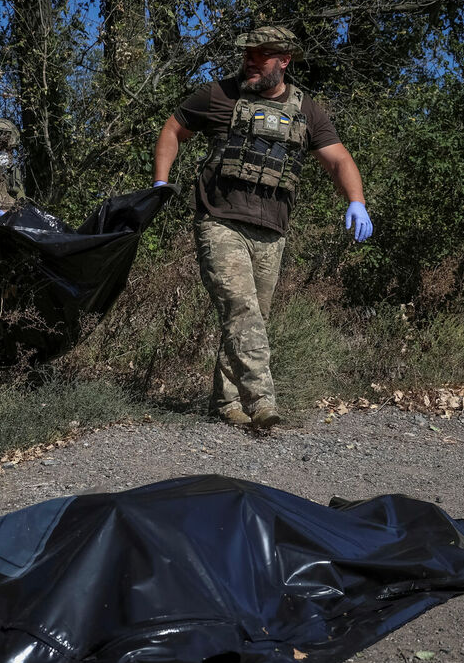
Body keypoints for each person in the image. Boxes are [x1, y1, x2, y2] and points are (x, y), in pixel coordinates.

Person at [153, 25, 373, 430]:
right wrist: (161, 182)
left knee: (250, 319)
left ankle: (225, 404)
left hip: (272, 231)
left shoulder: (308, 111)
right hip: (219, 221)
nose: (250, 61)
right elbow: (172, 129)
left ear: (284, 61)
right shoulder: (218, 95)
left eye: (261, 55)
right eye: (246, 55)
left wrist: (355, 201)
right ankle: (264, 406)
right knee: (242, 311)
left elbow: (339, 159)